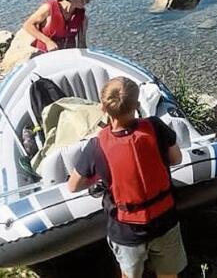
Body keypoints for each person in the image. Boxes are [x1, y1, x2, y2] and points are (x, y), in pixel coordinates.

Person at [67, 77, 186, 278]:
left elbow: (73, 186)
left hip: (127, 230)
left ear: (103, 108)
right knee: (168, 274)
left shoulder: (96, 146)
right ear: (137, 105)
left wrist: (97, 179)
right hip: (165, 218)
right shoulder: (156, 127)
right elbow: (176, 159)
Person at [23, 0, 95, 53]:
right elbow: (28, 25)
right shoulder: (49, 8)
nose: (88, 2)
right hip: (44, 53)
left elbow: (81, 43)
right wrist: (48, 42)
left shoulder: (82, 18)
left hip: (67, 55)